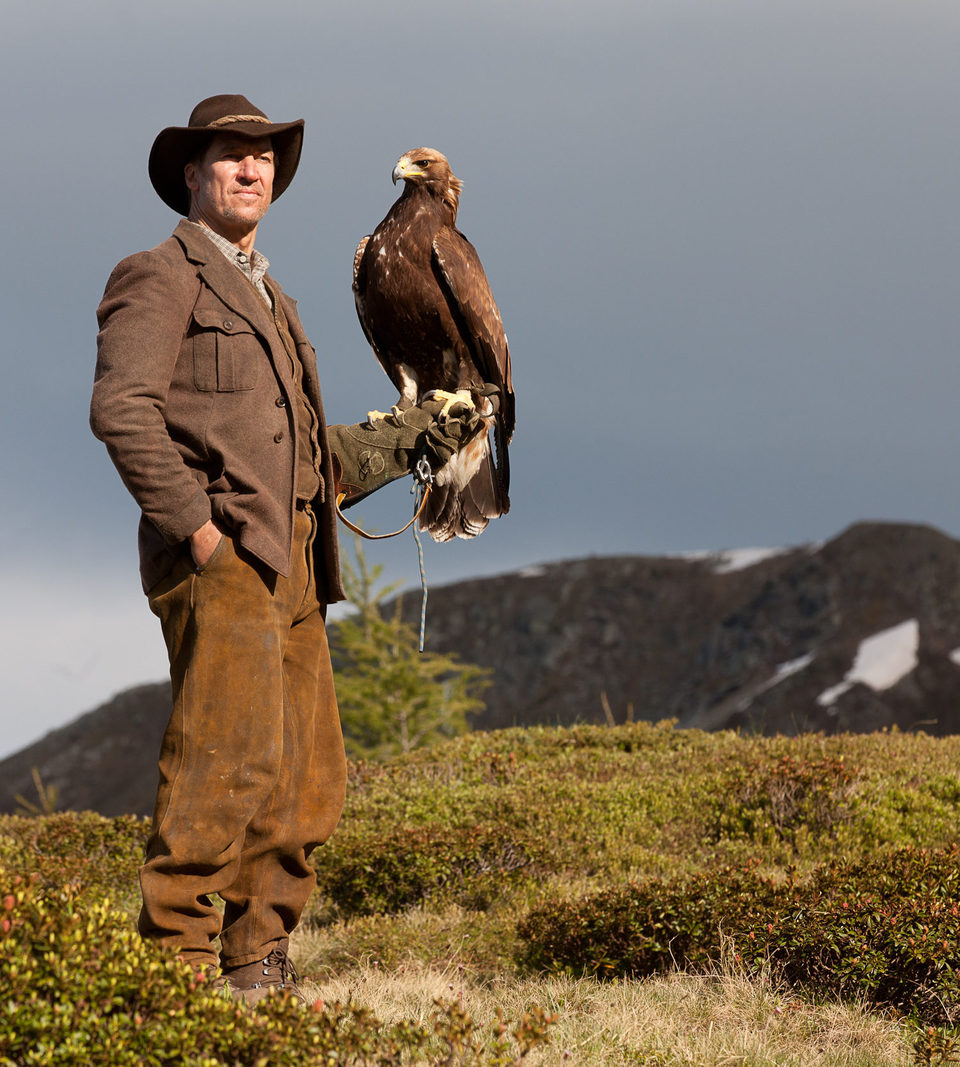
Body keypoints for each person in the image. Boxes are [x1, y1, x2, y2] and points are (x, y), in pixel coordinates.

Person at [90, 95, 481, 1002]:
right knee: (222, 766)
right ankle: (174, 976)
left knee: (308, 780)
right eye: (231, 156)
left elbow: (309, 457)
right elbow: (121, 411)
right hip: (224, 563)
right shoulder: (159, 274)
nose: (251, 169)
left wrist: (409, 439)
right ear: (192, 176)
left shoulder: (275, 299)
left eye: (263, 158)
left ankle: (256, 960)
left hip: (298, 567)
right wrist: (198, 533)